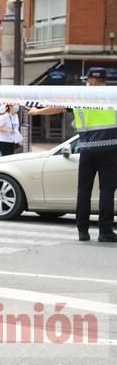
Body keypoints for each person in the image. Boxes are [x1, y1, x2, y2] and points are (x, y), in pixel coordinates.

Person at [28, 67, 117, 243]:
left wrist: (37, 112)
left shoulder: (79, 96)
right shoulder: (112, 95)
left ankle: (82, 231)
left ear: (91, 81)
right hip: (110, 149)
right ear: (103, 80)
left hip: (85, 150)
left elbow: (58, 107)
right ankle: (105, 232)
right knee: (107, 191)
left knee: (83, 190)